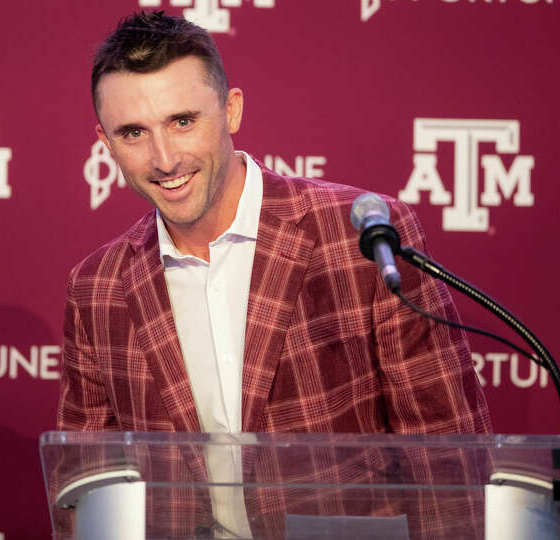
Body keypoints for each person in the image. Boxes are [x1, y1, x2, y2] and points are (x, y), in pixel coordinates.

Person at [56, 11, 490, 538]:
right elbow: (85, 492)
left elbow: (448, 454)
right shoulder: (97, 288)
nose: (165, 158)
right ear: (106, 142)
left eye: (183, 121)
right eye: (133, 132)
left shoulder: (358, 239)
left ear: (231, 110)